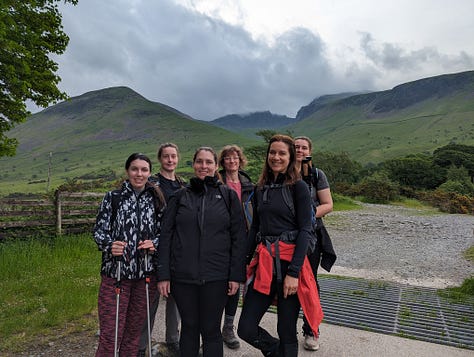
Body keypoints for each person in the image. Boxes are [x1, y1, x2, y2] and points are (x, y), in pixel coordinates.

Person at [237, 134, 323, 356]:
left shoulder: (299, 188)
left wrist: (294, 273)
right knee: (245, 328)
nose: (276, 157)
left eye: (282, 153)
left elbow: (305, 230)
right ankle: (276, 352)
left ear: (290, 157)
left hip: (289, 267)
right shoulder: (260, 188)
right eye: (272, 152)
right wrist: (242, 263)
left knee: (286, 331)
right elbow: (255, 228)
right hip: (265, 266)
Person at [157, 146, 247, 357]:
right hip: (183, 276)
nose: (204, 166)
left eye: (208, 162)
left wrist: (236, 275)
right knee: (189, 327)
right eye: (200, 161)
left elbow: (238, 237)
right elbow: (166, 237)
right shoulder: (179, 197)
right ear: (193, 164)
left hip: (217, 276)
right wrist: (164, 275)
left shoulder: (228, 197)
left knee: (210, 329)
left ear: (216, 166)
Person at [93, 153, 166, 357]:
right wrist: (109, 244)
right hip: (115, 276)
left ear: (149, 173)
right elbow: (99, 231)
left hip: (145, 277)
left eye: (144, 170)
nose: (139, 173)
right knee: (111, 333)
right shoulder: (112, 198)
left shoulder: (156, 199)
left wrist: (155, 243)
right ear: (128, 171)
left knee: (133, 333)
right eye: (135, 169)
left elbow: (165, 232)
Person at [137, 143, 185, 357]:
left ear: (178, 159)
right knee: (152, 297)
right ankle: (141, 344)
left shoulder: (183, 185)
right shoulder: (151, 183)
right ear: (160, 159)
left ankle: (173, 340)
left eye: (173, 156)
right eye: (166, 156)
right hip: (154, 246)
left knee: (175, 296)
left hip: (177, 248)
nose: (170, 160)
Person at [294, 135, 336, 352]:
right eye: (296, 147)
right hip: (287, 238)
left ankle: (311, 329)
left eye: (303, 147)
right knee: (288, 280)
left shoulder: (317, 175)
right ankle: (287, 328)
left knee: (310, 282)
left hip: (311, 237)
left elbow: (328, 204)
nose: (299, 150)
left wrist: (306, 218)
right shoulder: (282, 173)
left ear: (310, 150)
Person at [217, 144, 255, 349]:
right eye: (228, 158)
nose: (232, 161)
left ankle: (228, 327)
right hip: (219, 240)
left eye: (235, 158)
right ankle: (212, 328)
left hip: (242, 241)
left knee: (236, 283)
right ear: (222, 162)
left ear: (240, 161)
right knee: (217, 285)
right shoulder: (216, 182)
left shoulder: (248, 184)